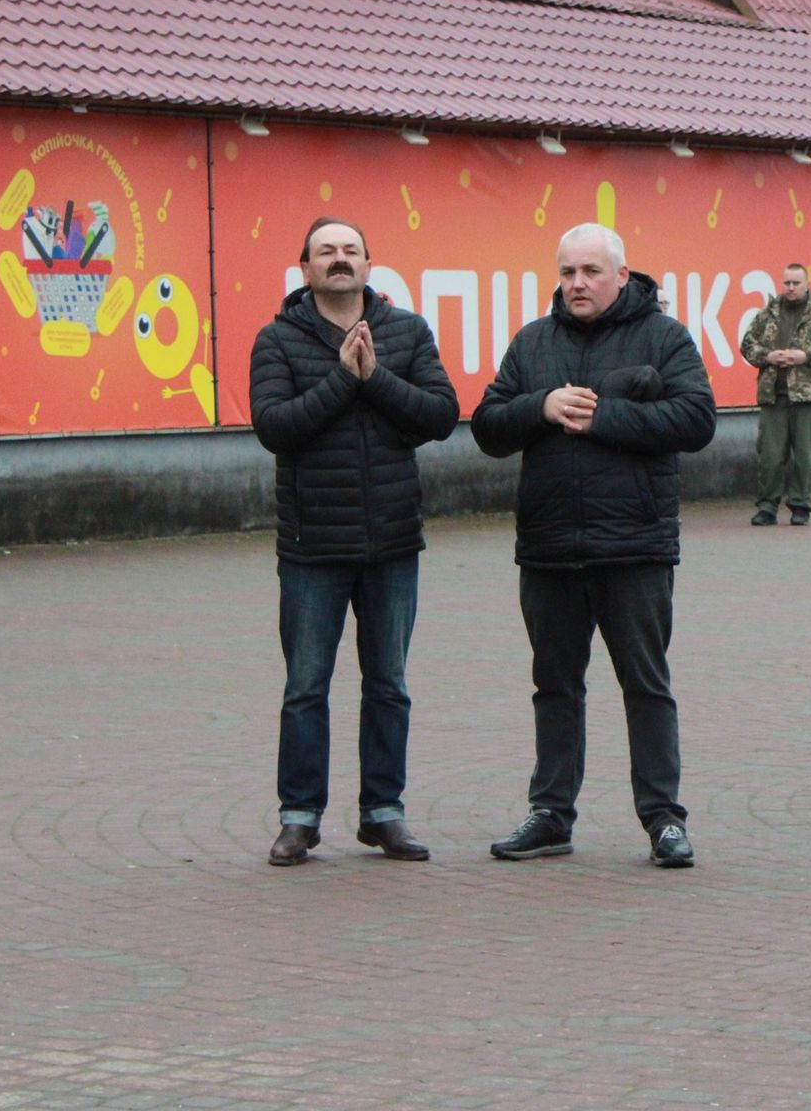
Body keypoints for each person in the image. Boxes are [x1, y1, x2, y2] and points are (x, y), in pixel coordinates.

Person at [471, 223, 717, 868]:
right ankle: (551, 815)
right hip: (549, 546)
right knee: (555, 685)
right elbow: (488, 427)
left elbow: (697, 420)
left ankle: (663, 819)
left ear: (621, 274)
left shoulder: (665, 338)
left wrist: (604, 415)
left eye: (589, 272)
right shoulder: (532, 343)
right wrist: (540, 407)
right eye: (566, 272)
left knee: (646, 685)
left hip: (634, 545)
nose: (576, 283)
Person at [249, 217, 459, 866]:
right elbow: (275, 428)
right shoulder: (278, 339)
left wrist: (375, 378)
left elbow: (440, 416)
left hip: (393, 544)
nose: (339, 260)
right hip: (313, 548)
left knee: (389, 684)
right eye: (325, 252)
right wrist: (344, 379)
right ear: (304, 267)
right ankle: (300, 819)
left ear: (370, 262)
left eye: (350, 251)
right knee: (306, 687)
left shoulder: (407, 332)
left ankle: (383, 813)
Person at [739, 262, 811, 526]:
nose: (790, 288)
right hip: (775, 394)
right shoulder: (769, 312)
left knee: (806, 455)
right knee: (770, 455)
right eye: (786, 283)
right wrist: (768, 356)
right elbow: (747, 344)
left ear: (806, 283)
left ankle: (801, 506)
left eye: (795, 283)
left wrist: (805, 356)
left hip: (809, 395)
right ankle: (767, 507)